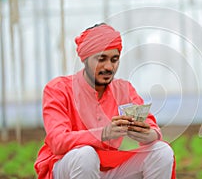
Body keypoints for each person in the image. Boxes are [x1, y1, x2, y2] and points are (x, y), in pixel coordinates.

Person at [34, 23, 175, 179]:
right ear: (85, 59)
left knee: (161, 152)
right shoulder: (58, 89)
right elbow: (58, 141)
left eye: (114, 60)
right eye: (101, 59)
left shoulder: (124, 89)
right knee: (86, 155)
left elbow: (153, 127)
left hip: (109, 166)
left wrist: (148, 134)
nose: (109, 67)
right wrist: (103, 133)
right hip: (68, 165)